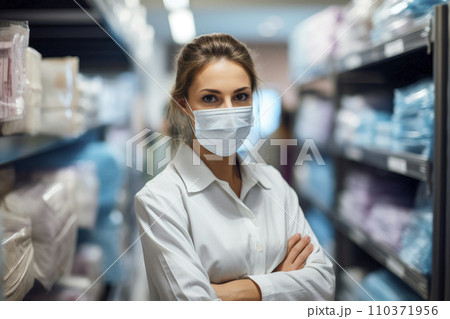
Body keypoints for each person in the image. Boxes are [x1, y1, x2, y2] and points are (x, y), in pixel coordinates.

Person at [134, 33, 335, 301]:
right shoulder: (159, 200)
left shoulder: (273, 183)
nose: (229, 111)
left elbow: (323, 283)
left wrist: (236, 291)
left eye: (241, 96)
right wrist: (280, 281)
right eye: (210, 99)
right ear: (184, 106)